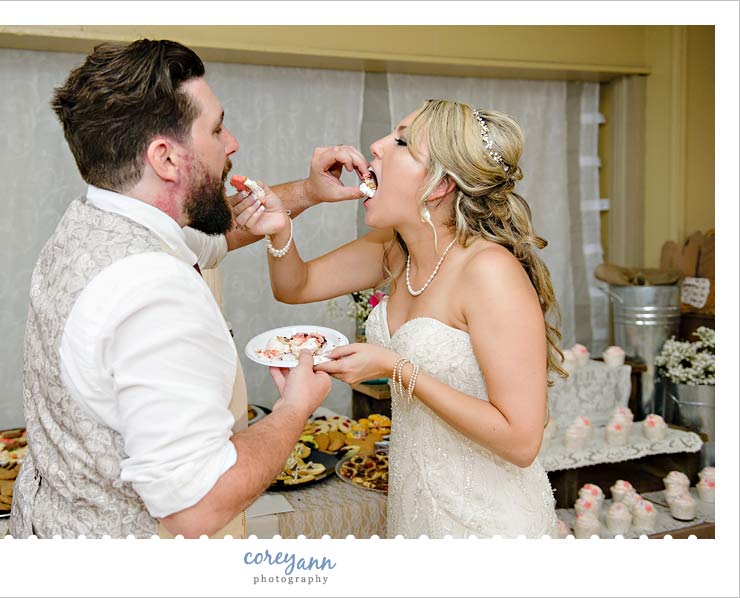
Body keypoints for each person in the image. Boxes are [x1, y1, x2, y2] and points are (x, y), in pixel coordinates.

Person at [9, 39, 367, 539]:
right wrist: (295, 407)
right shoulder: (153, 290)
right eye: (217, 128)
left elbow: (216, 236)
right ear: (166, 158)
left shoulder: (91, 224)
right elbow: (195, 506)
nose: (232, 142)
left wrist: (307, 192)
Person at [236, 99, 565, 538]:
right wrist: (281, 229)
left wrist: (394, 367)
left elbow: (522, 441)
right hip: (415, 506)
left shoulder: (489, 271)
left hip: (489, 524)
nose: (376, 145)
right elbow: (295, 287)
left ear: (440, 185)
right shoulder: (395, 250)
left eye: (402, 142)